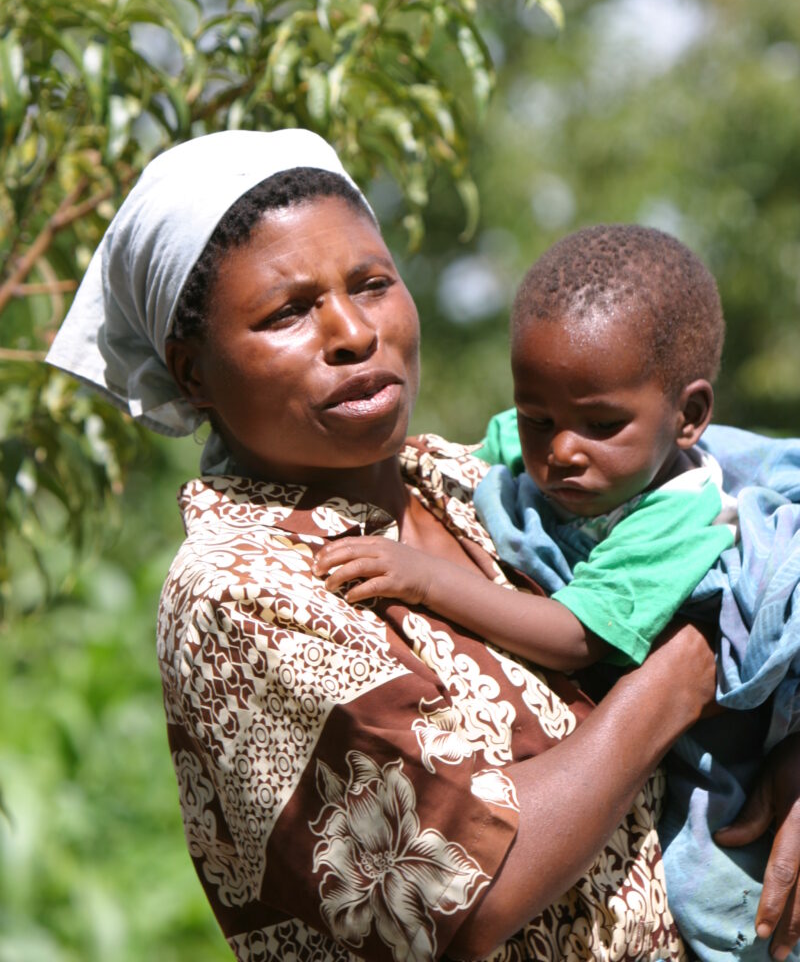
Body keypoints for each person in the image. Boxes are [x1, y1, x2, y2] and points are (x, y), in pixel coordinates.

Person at [43, 132, 795, 962]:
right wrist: (690, 670)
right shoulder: (241, 590)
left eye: (372, 285)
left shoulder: (473, 478)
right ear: (191, 372)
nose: (352, 332)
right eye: (287, 312)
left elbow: (752, 517)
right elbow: (462, 895)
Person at [314, 225, 800, 962]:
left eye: (601, 425)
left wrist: (424, 577)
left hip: (721, 757)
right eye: (539, 418)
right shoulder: (549, 437)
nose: (561, 450)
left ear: (690, 417)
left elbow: (577, 635)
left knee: (714, 901)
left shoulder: (677, 516)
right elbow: (482, 453)